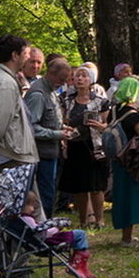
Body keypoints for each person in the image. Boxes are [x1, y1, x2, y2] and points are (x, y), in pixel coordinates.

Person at [0, 36, 42, 212]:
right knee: (24, 210)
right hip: (10, 156)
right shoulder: (4, 83)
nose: (28, 58)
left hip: (6, 153)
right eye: (26, 54)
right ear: (15, 55)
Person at [59, 64, 111, 228]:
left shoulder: (101, 101)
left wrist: (101, 127)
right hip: (75, 147)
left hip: (95, 147)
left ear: (91, 80)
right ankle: (83, 221)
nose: (80, 79)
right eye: (77, 76)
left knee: (96, 186)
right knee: (79, 187)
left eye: (84, 76)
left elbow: (109, 124)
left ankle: (99, 220)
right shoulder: (66, 101)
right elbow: (61, 122)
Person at [108, 76, 139, 246]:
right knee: (133, 198)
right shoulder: (135, 116)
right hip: (134, 162)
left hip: (118, 160)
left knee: (121, 197)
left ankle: (125, 235)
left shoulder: (114, 112)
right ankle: (127, 238)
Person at [24, 57, 74, 218]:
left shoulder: (51, 91)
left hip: (51, 153)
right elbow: (31, 127)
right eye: (61, 79)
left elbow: (49, 119)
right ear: (51, 73)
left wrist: (62, 128)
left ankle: (47, 229)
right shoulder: (38, 94)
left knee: (50, 193)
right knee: (44, 196)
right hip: (41, 155)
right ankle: (43, 232)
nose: (63, 83)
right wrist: (57, 134)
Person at [20, 191, 96, 278]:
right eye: (30, 205)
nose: (33, 209)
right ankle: (77, 265)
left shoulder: (19, 220)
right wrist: (56, 228)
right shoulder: (27, 219)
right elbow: (40, 232)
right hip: (47, 242)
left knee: (79, 236)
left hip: (39, 242)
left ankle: (81, 266)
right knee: (80, 234)